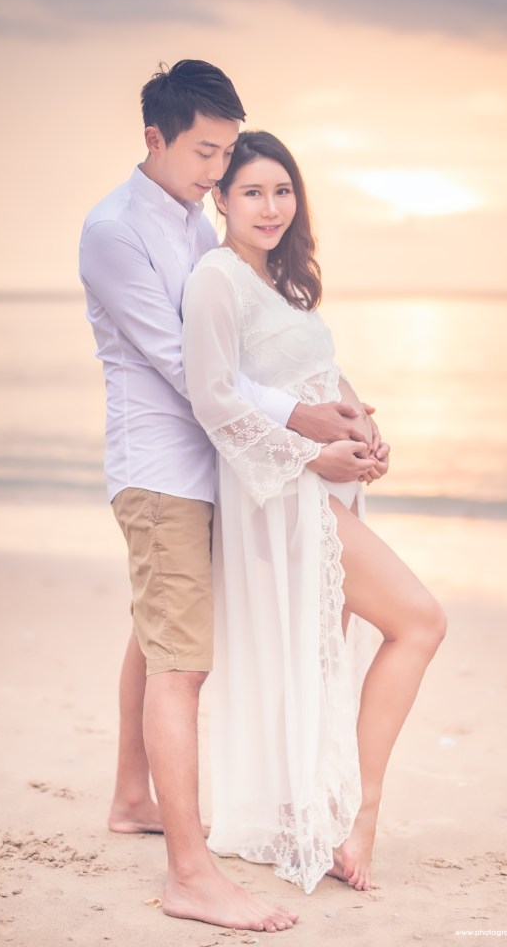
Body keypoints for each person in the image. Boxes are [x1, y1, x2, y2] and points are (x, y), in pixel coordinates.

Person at [79, 62, 388, 931]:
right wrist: (302, 426)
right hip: (167, 468)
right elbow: (189, 371)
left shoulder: (191, 219)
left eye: (227, 155)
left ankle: (132, 796)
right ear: (155, 138)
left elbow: (251, 343)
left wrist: (335, 406)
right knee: (183, 661)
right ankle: (188, 874)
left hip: (223, 464)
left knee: (155, 630)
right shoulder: (115, 232)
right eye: (205, 153)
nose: (218, 172)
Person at [182, 131, 447, 895]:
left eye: (282, 190)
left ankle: (316, 810)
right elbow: (213, 399)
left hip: (325, 488)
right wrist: (310, 457)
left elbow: (314, 379)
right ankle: (359, 817)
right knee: (419, 621)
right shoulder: (215, 279)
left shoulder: (282, 283)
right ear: (220, 199)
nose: (270, 207)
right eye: (252, 192)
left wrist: (362, 431)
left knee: (324, 661)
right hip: (282, 498)